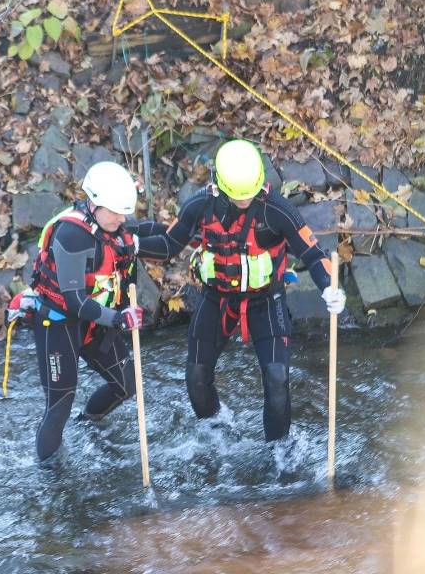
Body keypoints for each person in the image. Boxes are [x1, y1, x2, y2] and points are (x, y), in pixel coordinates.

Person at [137, 139, 345, 441]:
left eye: (249, 194)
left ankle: (279, 451)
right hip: (216, 298)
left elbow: (313, 254)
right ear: (218, 184)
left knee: (276, 379)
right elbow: (169, 244)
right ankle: (215, 430)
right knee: (196, 374)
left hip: (266, 300)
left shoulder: (277, 210)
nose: (245, 200)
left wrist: (330, 287)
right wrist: (133, 246)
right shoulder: (200, 205)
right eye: (238, 196)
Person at [24, 161, 146, 462]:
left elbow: (159, 239)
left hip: (94, 324)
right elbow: (75, 301)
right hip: (59, 324)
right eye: (115, 211)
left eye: (124, 211)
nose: (122, 218)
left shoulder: (115, 229)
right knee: (60, 402)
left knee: (126, 384)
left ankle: (87, 425)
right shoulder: (71, 235)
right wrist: (119, 319)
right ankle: (49, 473)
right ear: (93, 203)